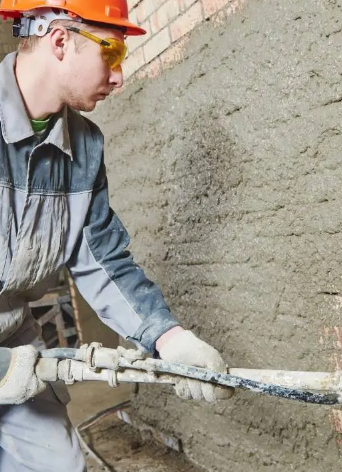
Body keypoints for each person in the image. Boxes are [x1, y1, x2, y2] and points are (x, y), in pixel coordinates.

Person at [0, 1, 233, 470]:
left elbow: (101, 259)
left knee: (57, 464)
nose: (118, 75)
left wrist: (168, 337)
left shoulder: (83, 146)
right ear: (60, 41)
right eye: (110, 52)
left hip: (14, 342)